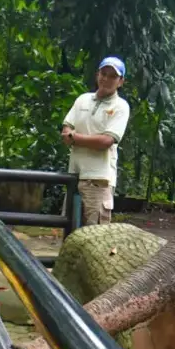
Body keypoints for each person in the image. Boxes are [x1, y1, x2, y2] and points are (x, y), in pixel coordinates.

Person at [61, 55, 131, 226]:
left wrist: (74, 137)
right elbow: (65, 132)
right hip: (74, 176)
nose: (106, 79)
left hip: (99, 180)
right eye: (103, 73)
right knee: (69, 231)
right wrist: (73, 137)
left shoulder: (120, 106)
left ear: (121, 81)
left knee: (94, 236)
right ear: (97, 75)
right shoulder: (82, 99)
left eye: (113, 76)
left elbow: (106, 141)